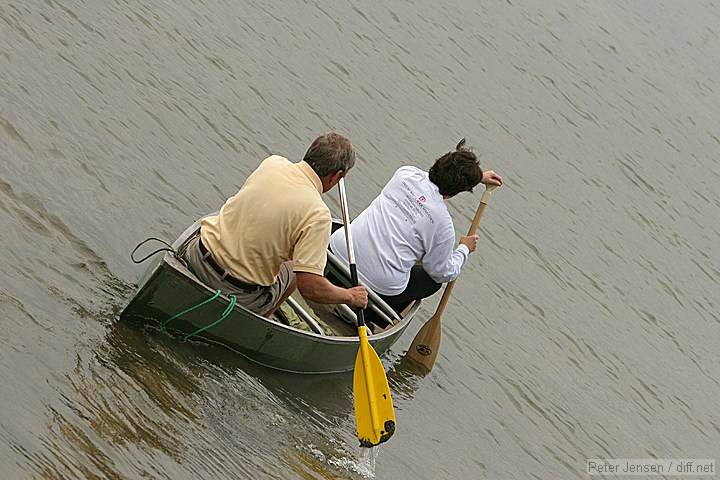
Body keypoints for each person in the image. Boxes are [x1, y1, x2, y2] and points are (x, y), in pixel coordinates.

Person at [181, 132, 368, 317]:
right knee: (298, 267)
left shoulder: (273, 163)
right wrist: (350, 296)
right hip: (233, 290)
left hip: (196, 255)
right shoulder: (319, 215)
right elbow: (310, 287)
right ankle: (265, 315)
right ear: (336, 177)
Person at [329, 138, 502, 324]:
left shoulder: (404, 174)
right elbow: (442, 272)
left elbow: (436, 177)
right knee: (432, 280)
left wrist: (476, 177)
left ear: (439, 162)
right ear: (456, 193)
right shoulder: (442, 224)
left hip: (337, 253)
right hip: (376, 287)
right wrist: (464, 250)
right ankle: (371, 317)